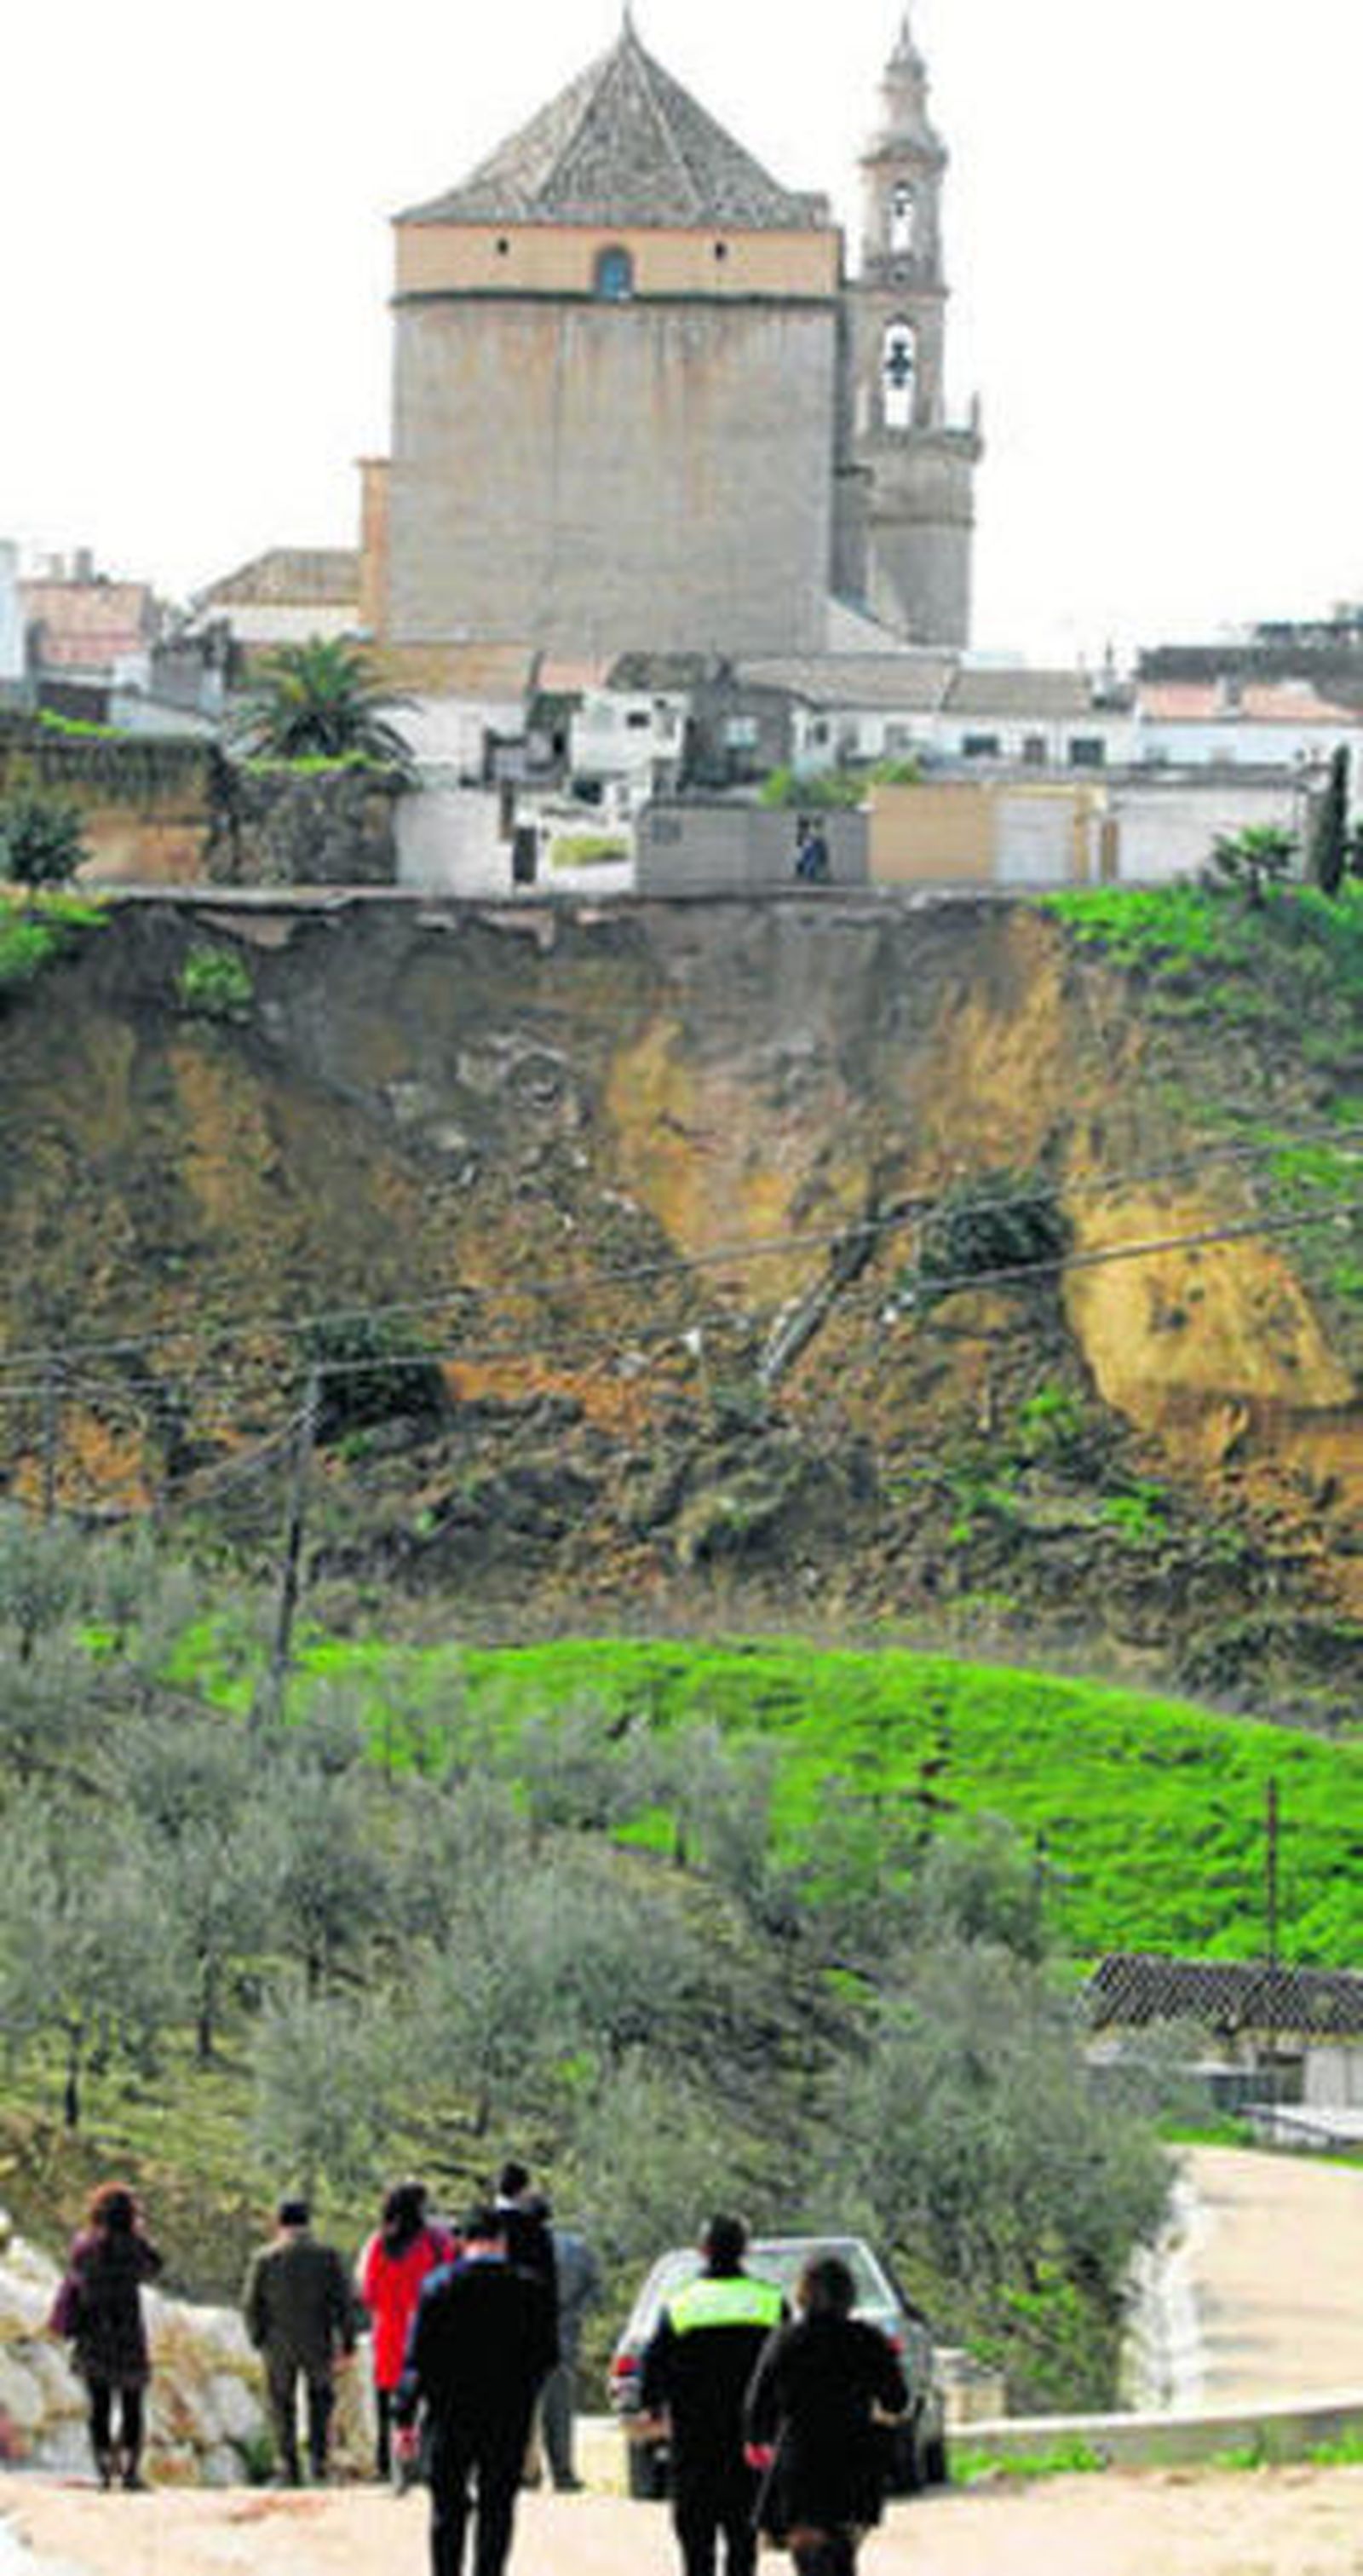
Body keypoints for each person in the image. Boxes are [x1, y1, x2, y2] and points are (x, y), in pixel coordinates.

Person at [394, 2201, 557, 2576]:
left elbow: (417, 2359)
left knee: (448, 2507)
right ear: (502, 2241)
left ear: (462, 2241)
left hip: (450, 2415)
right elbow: (546, 2357)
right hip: (507, 2414)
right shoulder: (530, 2290)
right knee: (497, 2505)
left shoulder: (437, 2287)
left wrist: (404, 2417)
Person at [744, 2250, 907, 2576]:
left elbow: (756, 2405)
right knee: (842, 2554)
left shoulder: (785, 2339)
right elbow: (897, 2400)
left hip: (800, 2460)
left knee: (810, 2560)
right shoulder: (868, 2340)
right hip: (855, 2459)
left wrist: (758, 2440)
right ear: (849, 2294)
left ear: (802, 2293)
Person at [639, 2214, 785, 2576]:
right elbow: (790, 2366)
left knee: (696, 2546)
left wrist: (652, 2406)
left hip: (694, 2443)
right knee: (743, 2543)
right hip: (750, 2441)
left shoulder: (680, 2307)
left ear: (702, 2251)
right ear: (746, 2250)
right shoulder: (771, 2304)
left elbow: (652, 2369)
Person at [242, 2196, 357, 2486]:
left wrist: (258, 2338)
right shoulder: (327, 2256)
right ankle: (319, 2463)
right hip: (318, 2340)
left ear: (279, 2223)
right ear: (308, 2222)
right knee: (320, 2401)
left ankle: (288, 2467)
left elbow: (250, 2303)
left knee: (281, 2404)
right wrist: (348, 2342)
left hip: (277, 2343)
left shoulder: (264, 2258)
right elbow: (343, 2302)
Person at [63, 2182, 163, 2491]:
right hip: (127, 2333)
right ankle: (131, 2471)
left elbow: (75, 2271)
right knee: (133, 2404)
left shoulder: (85, 2246)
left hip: (93, 2332)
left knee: (99, 2405)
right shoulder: (134, 2247)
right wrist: (141, 2234)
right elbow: (156, 2267)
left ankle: (104, 2470)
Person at [356, 2181, 457, 2482]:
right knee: (433, 2404)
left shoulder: (378, 2244)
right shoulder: (436, 2242)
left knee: (389, 2403)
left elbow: (369, 2293)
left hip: (388, 2333)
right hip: (430, 2331)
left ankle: (388, 2464)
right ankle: (427, 2463)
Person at [537, 2213, 601, 2492]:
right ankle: (562, 2472)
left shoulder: (513, 2245)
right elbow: (595, 2289)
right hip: (564, 2334)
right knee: (559, 2408)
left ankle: (523, 2472)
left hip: (521, 2334)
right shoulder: (577, 2248)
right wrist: (574, 2314)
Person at [794, 817, 831, 884]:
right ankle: (811, 874)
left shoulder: (810, 836)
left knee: (809, 860)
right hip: (810, 850)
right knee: (808, 861)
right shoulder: (806, 837)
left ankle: (814, 874)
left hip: (811, 850)